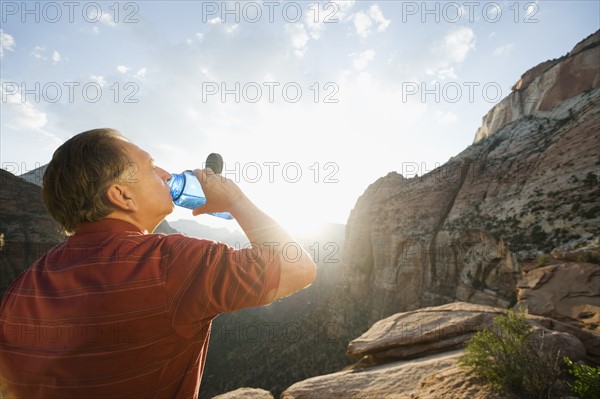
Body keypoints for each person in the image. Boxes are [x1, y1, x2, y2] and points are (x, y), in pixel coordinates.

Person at [0, 128, 317, 398]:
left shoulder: (24, 285)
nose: (166, 174)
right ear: (122, 196)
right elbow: (296, 267)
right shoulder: (171, 262)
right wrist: (235, 200)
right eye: (151, 167)